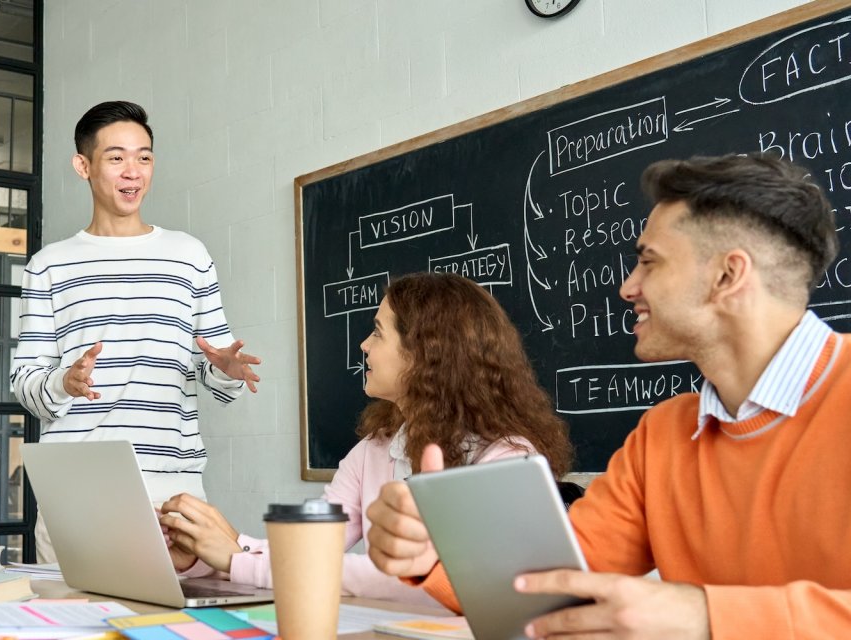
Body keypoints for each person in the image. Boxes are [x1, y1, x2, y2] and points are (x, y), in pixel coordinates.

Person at [364, 152, 851, 638]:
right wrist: (432, 554)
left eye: (648, 262)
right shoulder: (663, 435)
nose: (627, 287)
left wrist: (706, 616)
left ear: (727, 275)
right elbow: (553, 587)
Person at [158, 272, 573, 604]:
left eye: (377, 332)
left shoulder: (508, 459)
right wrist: (203, 556)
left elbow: (418, 579)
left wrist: (235, 558)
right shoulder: (373, 449)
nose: (363, 345)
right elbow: (311, 550)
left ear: (425, 353)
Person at [10, 101, 261, 561]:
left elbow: (222, 385)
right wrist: (63, 382)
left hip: (173, 488)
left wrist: (223, 368)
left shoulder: (189, 255)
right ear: (83, 165)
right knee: (77, 629)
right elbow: (25, 384)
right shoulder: (48, 266)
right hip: (79, 486)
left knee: (173, 631)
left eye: (144, 157)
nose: (133, 171)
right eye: (117, 157)